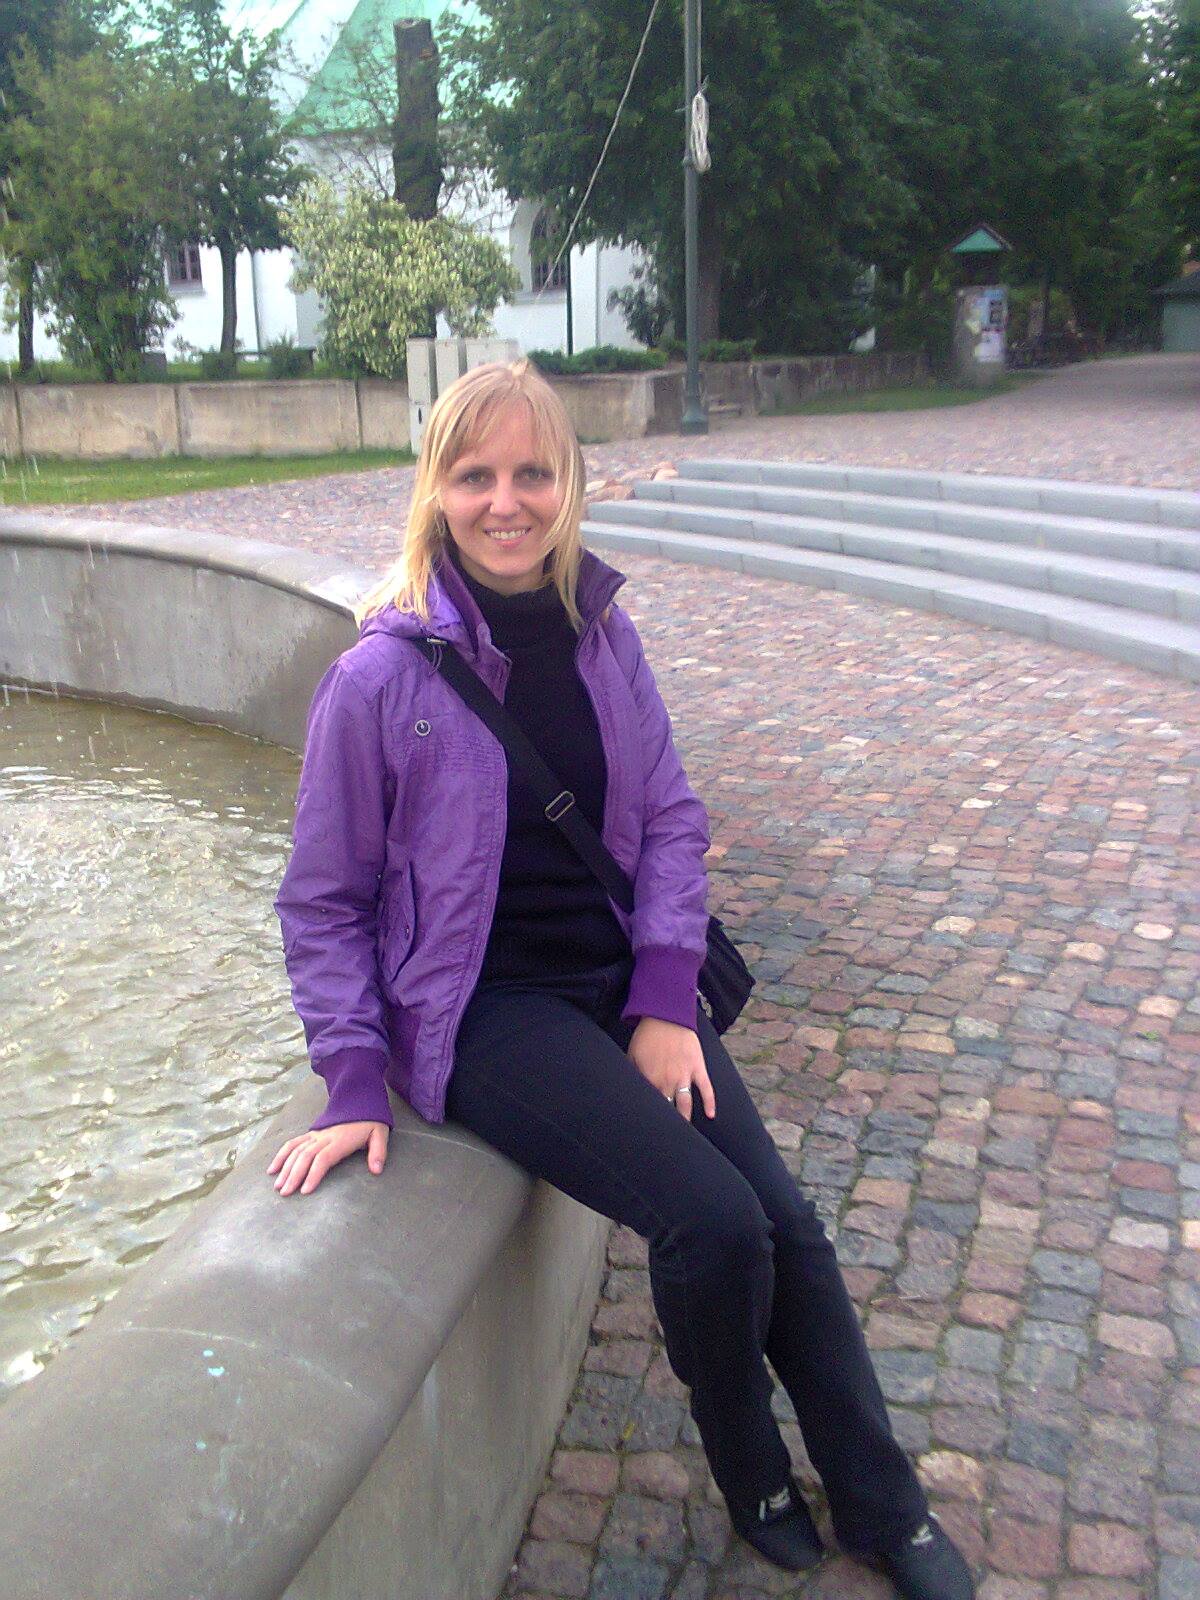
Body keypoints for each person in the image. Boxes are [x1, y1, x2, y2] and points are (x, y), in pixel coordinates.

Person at [267, 359, 974, 1600]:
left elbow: (674, 820)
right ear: (436, 491)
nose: (506, 502)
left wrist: (662, 995)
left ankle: (884, 1501)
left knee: (788, 1228)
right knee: (711, 1223)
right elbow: (323, 899)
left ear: (570, 484)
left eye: (531, 472)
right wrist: (354, 1077)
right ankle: (750, 1465)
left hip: (616, 977)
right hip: (489, 1011)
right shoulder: (379, 678)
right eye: (475, 476)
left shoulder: (604, 636)